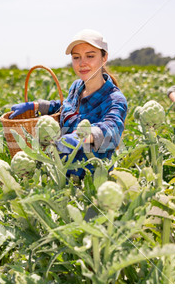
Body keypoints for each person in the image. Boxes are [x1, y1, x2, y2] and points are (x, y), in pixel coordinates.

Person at [9, 29, 128, 178]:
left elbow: (112, 129)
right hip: (60, 174)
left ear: (104, 58)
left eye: (90, 56)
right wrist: (37, 106)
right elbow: (65, 107)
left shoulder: (114, 98)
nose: (82, 63)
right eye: (76, 57)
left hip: (91, 182)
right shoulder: (76, 87)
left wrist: (80, 137)